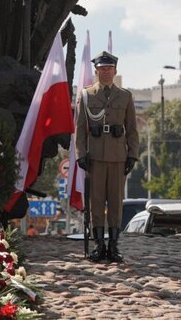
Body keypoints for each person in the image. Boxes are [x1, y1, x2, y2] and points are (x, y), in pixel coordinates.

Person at [75, 51, 139, 263]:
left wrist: (132, 155)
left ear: (115, 71)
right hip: (94, 157)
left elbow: (132, 129)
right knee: (95, 202)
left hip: (118, 156)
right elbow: (81, 128)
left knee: (115, 202)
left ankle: (113, 246)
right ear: (96, 71)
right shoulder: (86, 95)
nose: (105, 72)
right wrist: (80, 154)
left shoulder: (125, 96)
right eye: (102, 69)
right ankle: (98, 245)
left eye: (109, 69)